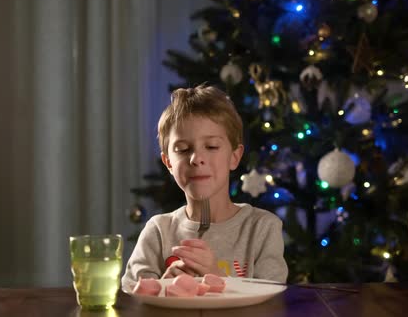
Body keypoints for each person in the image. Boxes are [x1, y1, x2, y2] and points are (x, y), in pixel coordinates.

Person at [121, 84, 288, 291]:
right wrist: (163, 288)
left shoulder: (262, 227)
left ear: (234, 157)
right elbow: (133, 299)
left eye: (211, 147)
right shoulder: (158, 231)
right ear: (169, 163)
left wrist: (217, 278)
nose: (196, 158)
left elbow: (270, 299)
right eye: (182, 149)